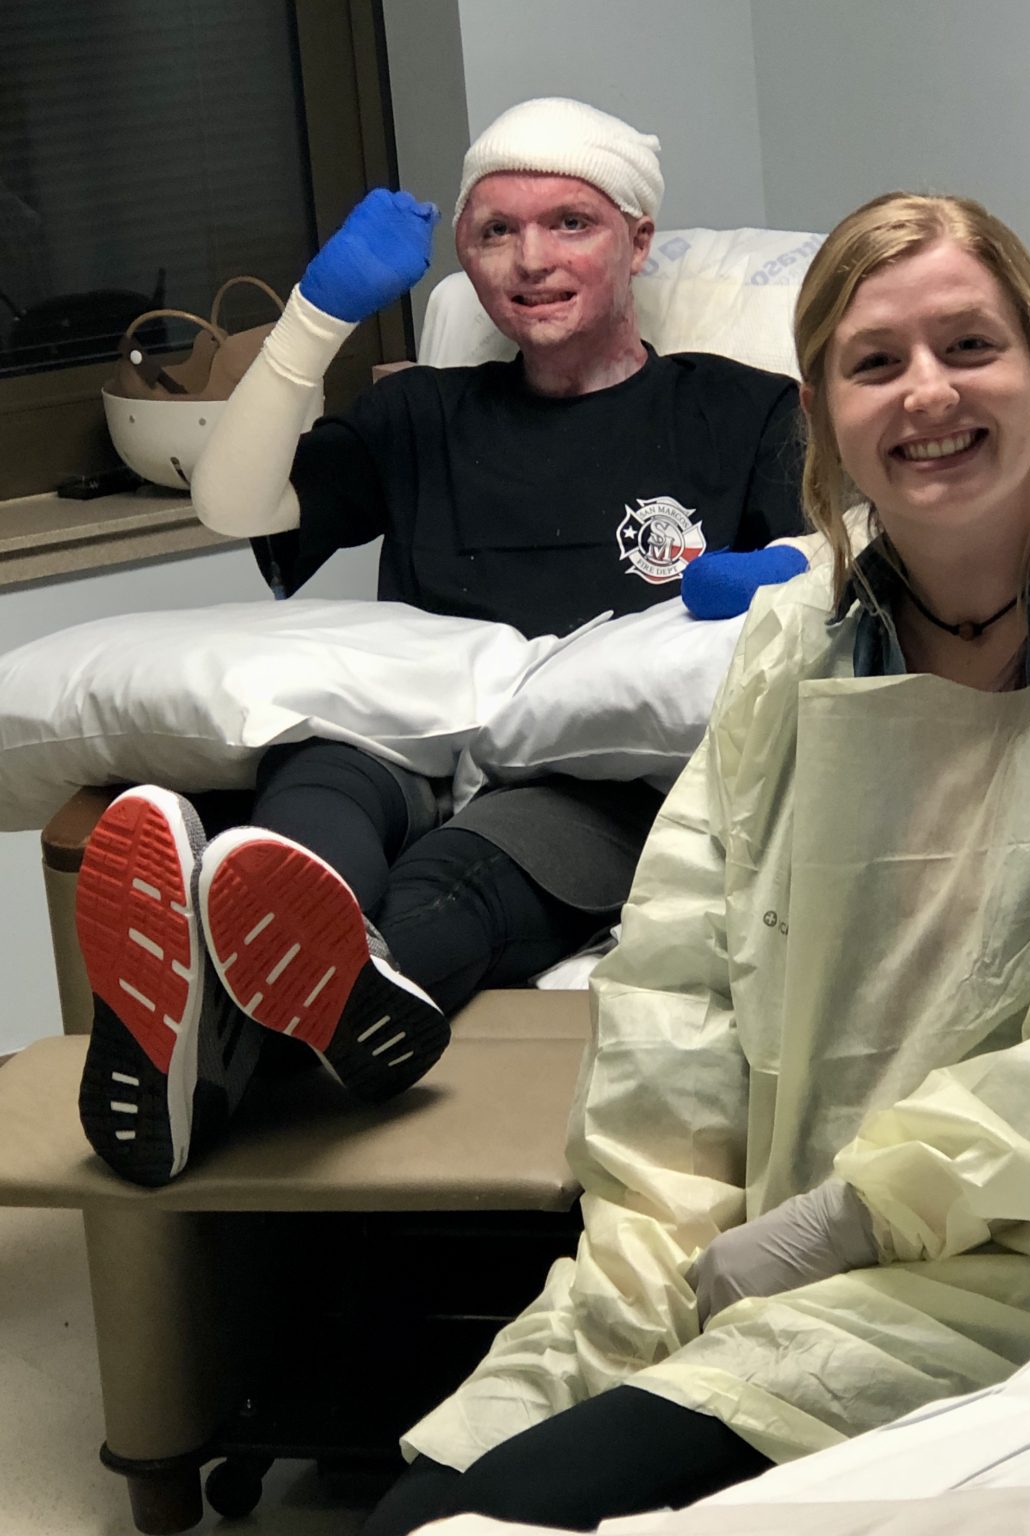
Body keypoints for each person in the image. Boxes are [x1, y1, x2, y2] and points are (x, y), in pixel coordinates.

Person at [358, 191, 1030, 1536]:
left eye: (969, 345)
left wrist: (864, 1215)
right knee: (427, 1509)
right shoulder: (798, 639)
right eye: (874, 363)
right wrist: (660, 1235)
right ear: (822, 415)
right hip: (753, 1231)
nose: (928, 393)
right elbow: (681, 981)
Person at [74, 98, 807, 1188]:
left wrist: (784, 569)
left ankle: (216, 1032)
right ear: (462, 251)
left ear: (639, 240)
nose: (530, 261)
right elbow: (234, 504)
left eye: (570, 224)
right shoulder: (420, 416)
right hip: (399, 734)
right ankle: (249, 970)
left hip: (586, 779)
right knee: (305, 812)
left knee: (448, 885)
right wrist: (316, 316)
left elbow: (852, 561)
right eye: (495, 231)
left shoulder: (740, 412)